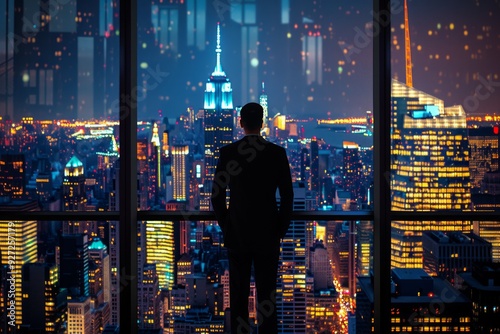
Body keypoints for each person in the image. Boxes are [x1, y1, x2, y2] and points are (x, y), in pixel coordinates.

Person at [211, 102, 294, 333]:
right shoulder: (277, 154)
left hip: (237, 234)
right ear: (262, 123)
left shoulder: (228, 153)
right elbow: (288, 196)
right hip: (267, 235)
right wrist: (279, 230)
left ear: (241, 123)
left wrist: (228, 225)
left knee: (238, 297)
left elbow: (216, 197)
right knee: (267, 298)